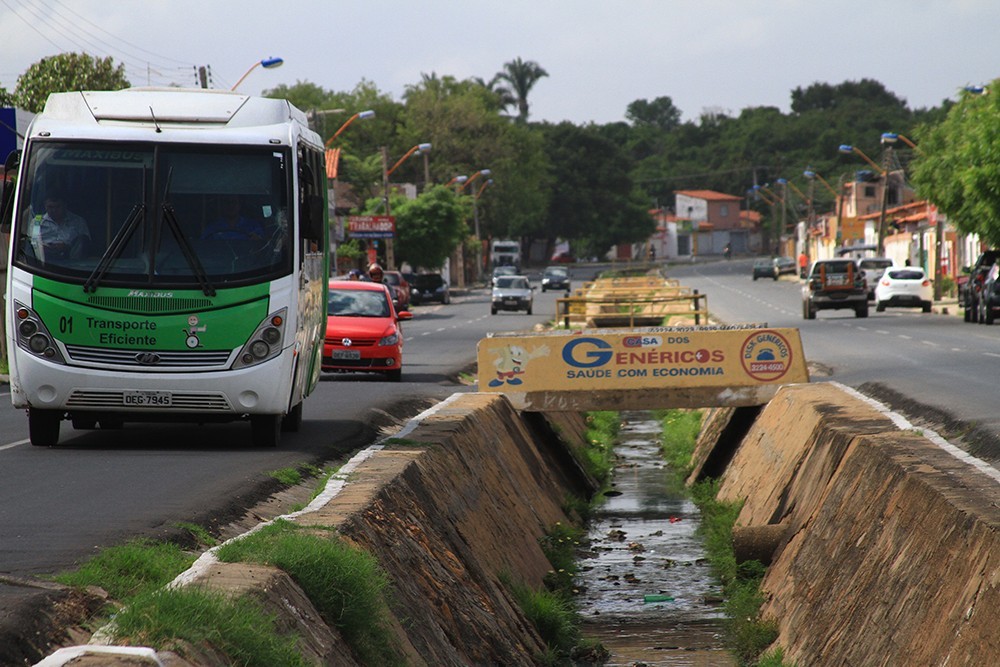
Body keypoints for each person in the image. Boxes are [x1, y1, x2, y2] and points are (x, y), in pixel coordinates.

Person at [30, 191, 91, 261]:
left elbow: (85, 244)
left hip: (72, 261)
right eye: (50, 207)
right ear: (45, 206)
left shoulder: (78, 221)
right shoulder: (37, 221)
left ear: (65, 205)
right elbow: (33, 242)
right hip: (44, 261)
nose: (54, 210)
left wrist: (68, 247)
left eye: (58, 206)